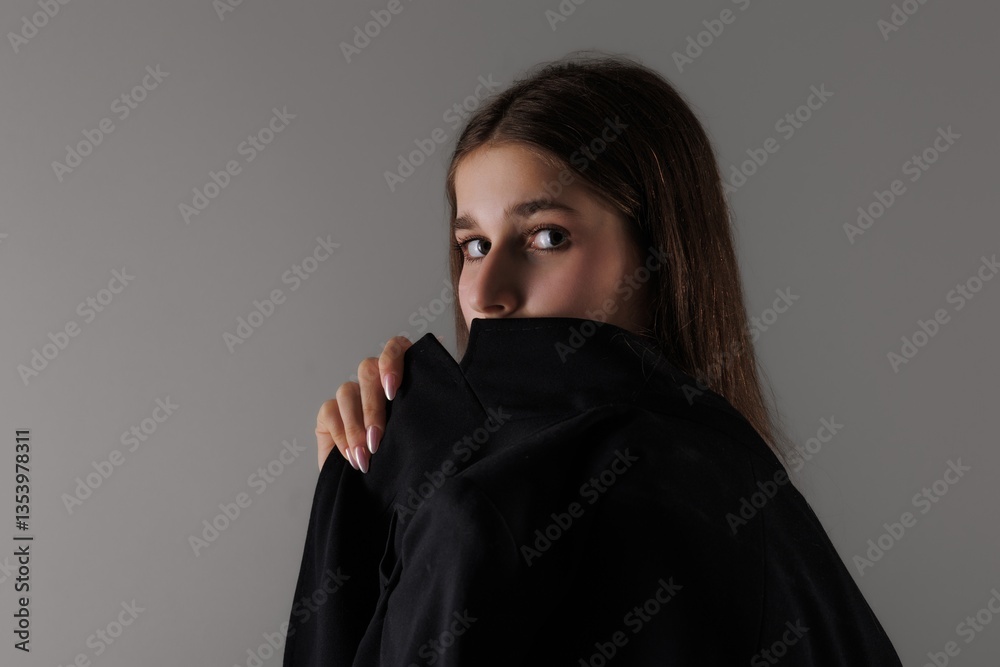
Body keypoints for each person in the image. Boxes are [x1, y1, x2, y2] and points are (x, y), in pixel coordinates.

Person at [285, 51, 904, 664]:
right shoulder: (733, 489)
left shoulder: (677, 484)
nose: (481, 292)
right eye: (473, 245)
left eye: (547, 237)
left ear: (659, 257)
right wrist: (366, 504)